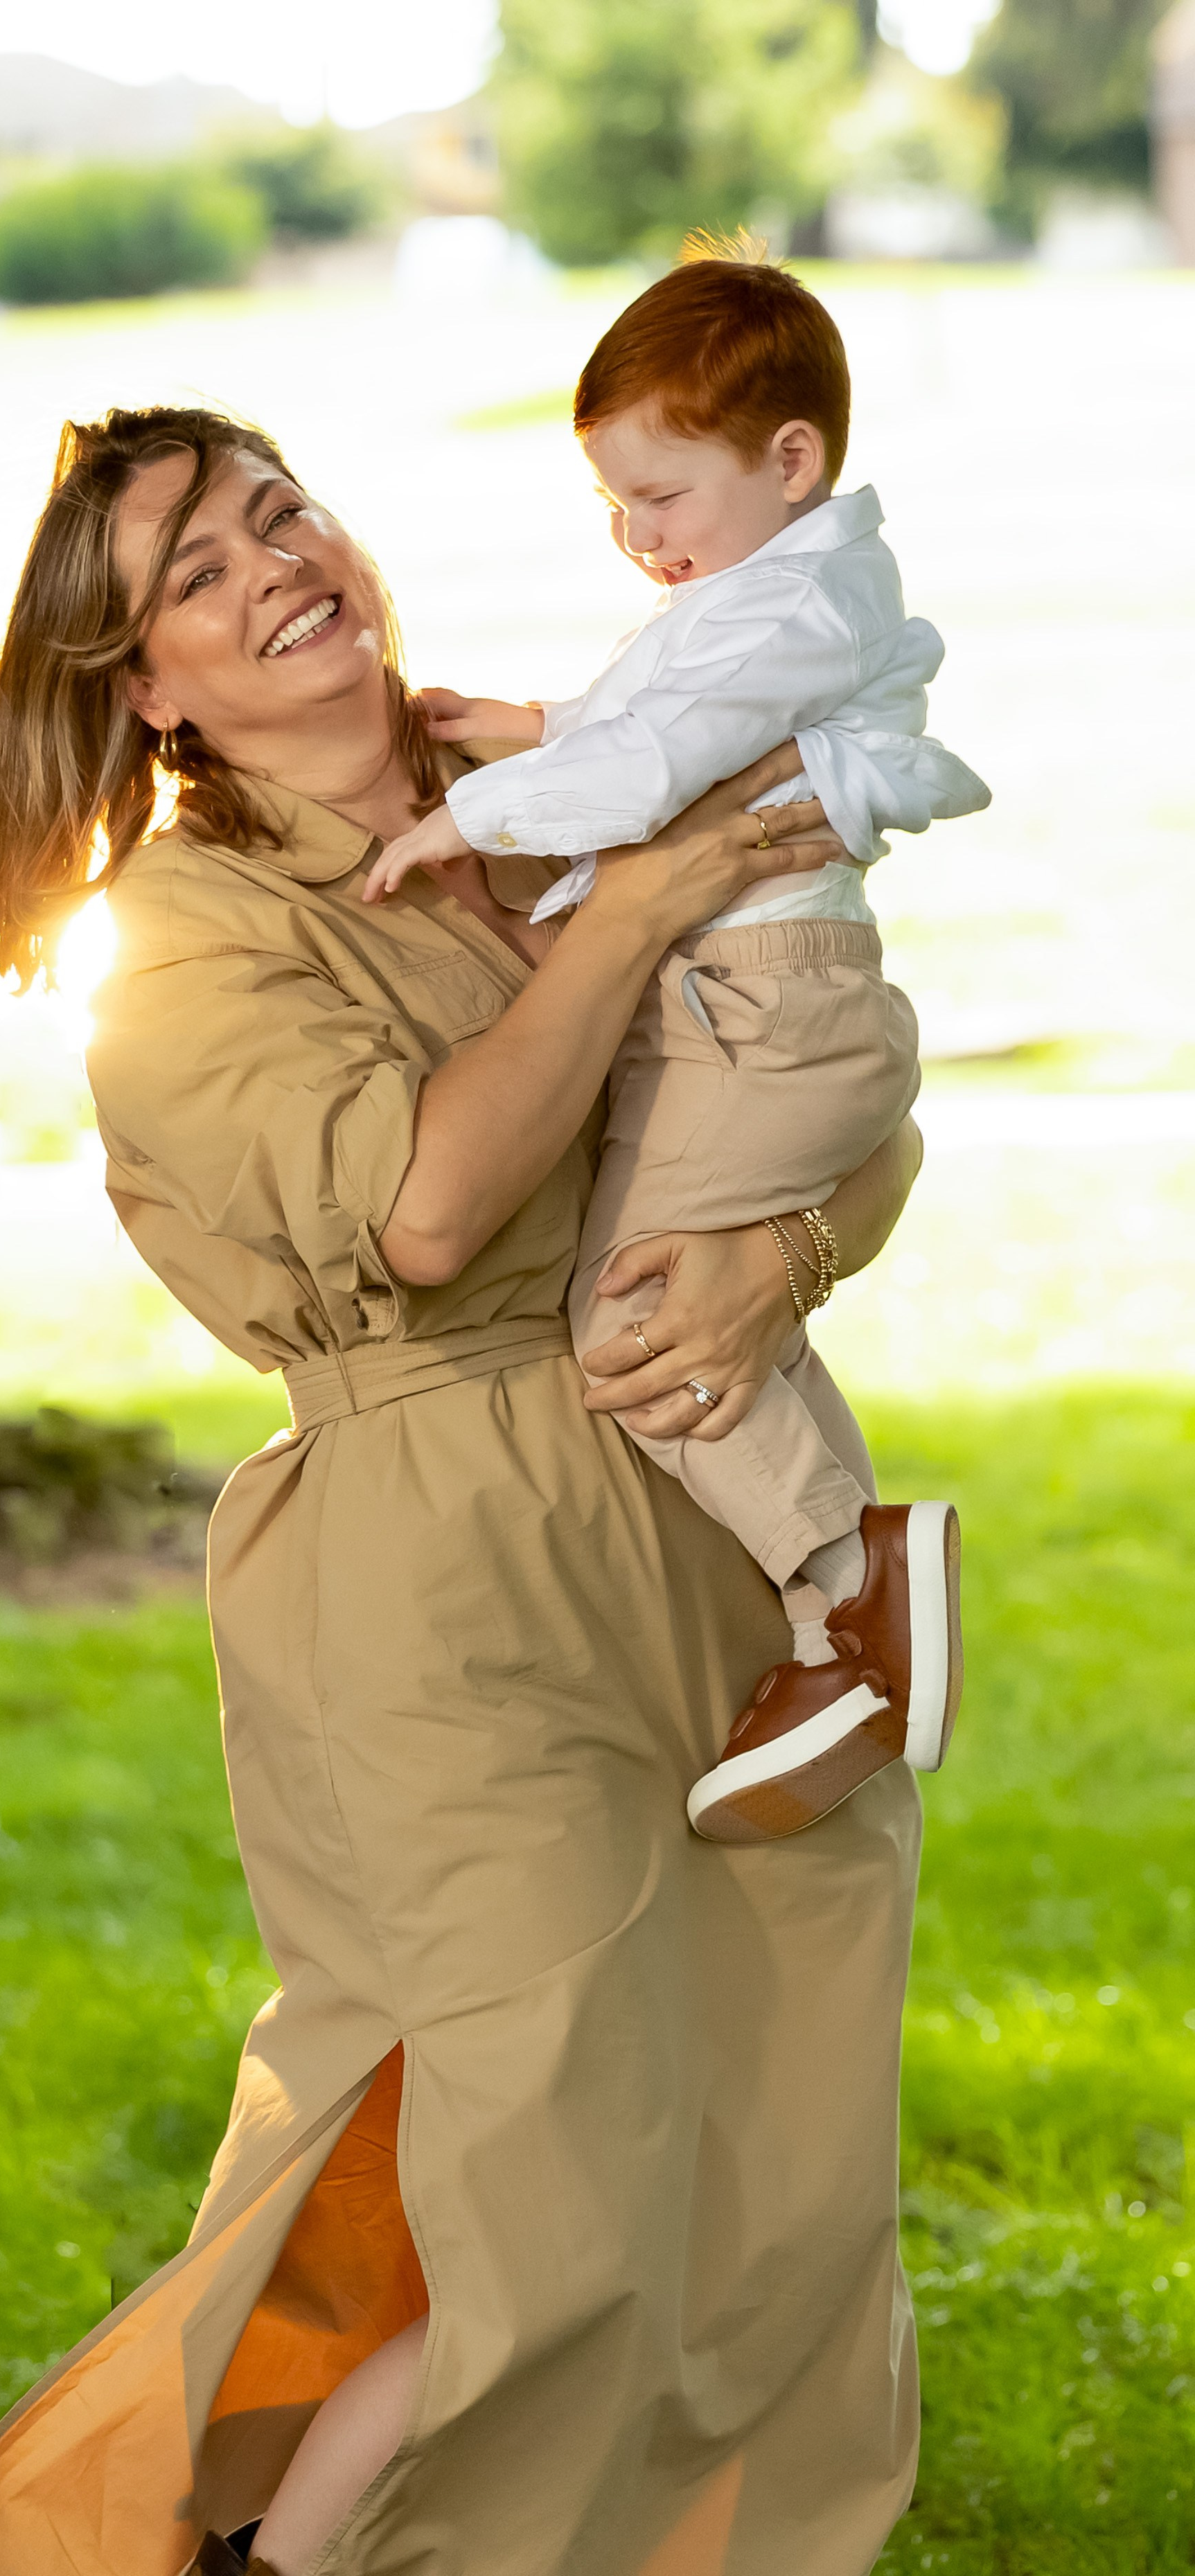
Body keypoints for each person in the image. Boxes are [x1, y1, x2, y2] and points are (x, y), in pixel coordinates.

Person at [0, 405, 929, 2576]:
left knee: (749, 2176)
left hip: (703, 1529)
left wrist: (778, 1250)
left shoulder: (546, 798)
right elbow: (437, 1211)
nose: (279, 563)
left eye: (285, 512)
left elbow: (833, 1065)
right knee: (530, 2198)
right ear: (148, 686)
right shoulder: (182, 939)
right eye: (197, 571)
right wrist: (631, 911)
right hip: (441, 1579)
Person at [367, 236, 986, 1846]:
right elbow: (661, 713)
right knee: (670, 1298)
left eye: (662, 501)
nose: (640, 543)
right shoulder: (773, 587)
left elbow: (656, 771)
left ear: (791, 462)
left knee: (633, 1318)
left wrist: (466, 821)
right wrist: (523, 726)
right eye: (613, 512)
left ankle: (848, 1600)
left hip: (762, 1000)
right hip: (748, 999)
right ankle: (835, 1630)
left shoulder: (782, 607)